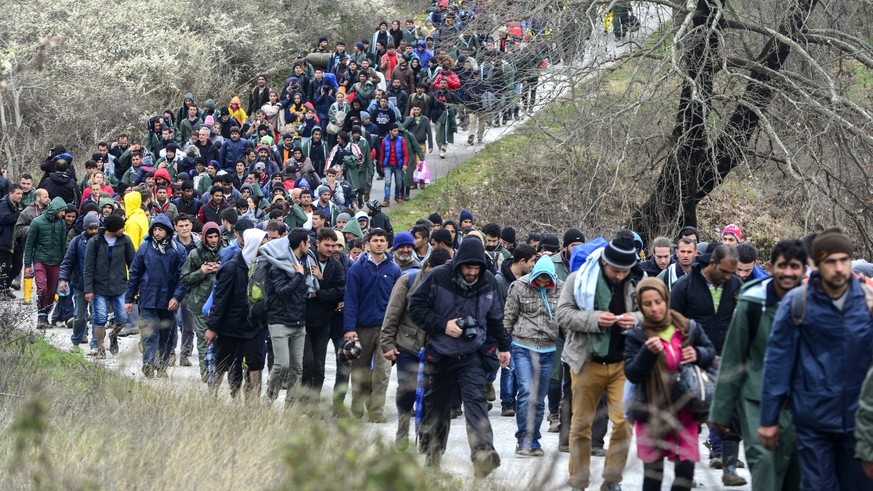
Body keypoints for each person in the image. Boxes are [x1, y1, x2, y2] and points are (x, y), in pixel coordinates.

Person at [760, 228, 873, 490]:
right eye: (830, 261)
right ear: (816, 263)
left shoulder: (867, 304)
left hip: (859, 424)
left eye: (844, 260)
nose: (838, 268)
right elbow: (777, 364)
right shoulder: (798, 304)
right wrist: (769, 419)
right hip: (814, 422)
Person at [408, 236, 511, 477]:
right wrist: (443, 325)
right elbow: (415, 307)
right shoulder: (437, 277)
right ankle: (432, 459)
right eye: (468, 267)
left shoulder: (487, 281)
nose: (472, 272)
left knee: (476, 404)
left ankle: (483, 455)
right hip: (441, 354)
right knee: (437, 409)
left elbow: (496, 318)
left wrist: (504, 347)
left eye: (477, 268)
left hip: (472, 353)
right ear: (459, 264)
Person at [711, 240, 806, 490]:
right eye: (782, 265)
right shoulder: (753, 301)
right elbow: (733, 356)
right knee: (764, 464)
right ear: (772, 268)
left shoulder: (814, 304)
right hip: (756, 399)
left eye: (794, 266)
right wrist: (720, 411)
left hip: (801, 402)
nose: (788, 272)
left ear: (804, 271)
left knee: (796, 474)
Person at [556, 234, 642, 491]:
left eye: (624, 271)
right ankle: (579, 482)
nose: (619, 275)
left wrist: (635, 319)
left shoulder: (636, 282)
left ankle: (612, 479)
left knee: (624, 423)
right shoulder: (577, 279)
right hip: (587, 361)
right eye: (615, 270)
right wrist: (594, 319)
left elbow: (650, 313)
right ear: (604, 262)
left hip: (622, 365)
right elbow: (562, 314)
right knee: (581, 425)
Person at [623, 278, 717, 491]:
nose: (655, 308)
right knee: (653, 478)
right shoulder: (636, 336)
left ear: (666, 299)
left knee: (685, 476)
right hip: (651, 412)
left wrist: (698, 353)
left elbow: (710, 352)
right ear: (640, 306)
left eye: (658, 301)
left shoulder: (687, 327)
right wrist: (647, 353)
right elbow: (633, 374)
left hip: (685, 411)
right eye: (648, 304)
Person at [671, 244, 745, 484]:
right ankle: (685, 473)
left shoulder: (735, 285)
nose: (728, 277)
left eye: (732, 273)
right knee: (689, 418)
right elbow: (671, 324)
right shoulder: (684, 286)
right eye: (724, 271)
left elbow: (743, 319)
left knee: (732, 414)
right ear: (712, 263)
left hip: (725, 359)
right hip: (691, 359)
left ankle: (729, 468)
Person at [380, 247, 451, 447]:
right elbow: (392, 314)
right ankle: (403, 429)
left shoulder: (448, 285)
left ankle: (425, 435)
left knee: (432, 394)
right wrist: (387, 344)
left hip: (436, 348)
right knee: (407, 389)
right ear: (428, 267)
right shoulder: (407, 281)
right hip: (407, 346)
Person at [503, 255, 563, 456]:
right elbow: (509, 317)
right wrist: (502, 346)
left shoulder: (561, 289)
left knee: (538, 398)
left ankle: (534, 438)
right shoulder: (519, 287)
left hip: (548, 350)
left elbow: (565, 320)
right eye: (540, 279)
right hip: (523, 347)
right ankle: (523, 438)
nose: (544, 283)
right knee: (527, 391)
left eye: (547, 280)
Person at [342, 228, 402, 421]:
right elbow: (350, 300)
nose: (378, 243)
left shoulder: (394, 269)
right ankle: (358, 404)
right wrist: (350, 329)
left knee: (383, 372)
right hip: (362, 328)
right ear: (367, 244)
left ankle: (376, 411)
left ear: (387, 244)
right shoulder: (358, 269)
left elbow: (400, 301)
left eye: (382, 240)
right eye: (375, 240)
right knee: (360, 370)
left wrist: (398, 330)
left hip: (386, 331)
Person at [205, 228, 268, 402]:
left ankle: (254, 400)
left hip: (253, 325)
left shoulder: (262, 266)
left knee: (255, 362)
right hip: (230, 326)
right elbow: (220, 300)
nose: (265, 247)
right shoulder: (231, 267)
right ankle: (213, 395)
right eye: (262, 244)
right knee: (223, 362)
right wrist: (212, 327)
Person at [125, 214, 188, 378]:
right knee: (148, 332)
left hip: (169, 300)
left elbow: (184, 278)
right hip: (148, 298)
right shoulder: (145, 248)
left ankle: (162, 365)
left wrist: (177, 298)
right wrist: (129, 299)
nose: (158, 233)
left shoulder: (178, 250)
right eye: (155, 229)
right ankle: (149, 363)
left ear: (167, 231)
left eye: (161, 229)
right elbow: (135, 274)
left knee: (167, 335)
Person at [259, 227, 313, 404]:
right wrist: (298, 276)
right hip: (279, 321)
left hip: (299, 322)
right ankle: (270, 397)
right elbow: (282, 292)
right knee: (282, 364)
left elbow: (305, 292)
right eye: (308, 242)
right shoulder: (279, 264)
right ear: (301, 243)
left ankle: (290, 405)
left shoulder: (306, 262)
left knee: (297, 367)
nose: (310, 245)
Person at [83, 214, 135, 357]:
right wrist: (88, 289)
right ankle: (100, 348)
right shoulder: (95, 242)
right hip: (99, 287)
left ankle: (113, 335)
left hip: (120, 287)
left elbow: (133, 264)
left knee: (123, 318)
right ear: (112, 228)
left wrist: (136, 285)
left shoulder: (125, 241)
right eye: (120, 227)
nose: (123, 230)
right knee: (99, 318)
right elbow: (88, 267)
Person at [302, 228, 345, 396]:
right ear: (317, 243)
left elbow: (338, 291)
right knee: (307, 362)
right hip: (304, 321)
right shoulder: (306, 260)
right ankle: (302, 397)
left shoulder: (335, 265)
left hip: (324, 322)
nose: (331, 249)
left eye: (333, 246)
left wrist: (320, 286)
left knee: (319, 365)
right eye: (327, 245)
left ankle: (314, 403)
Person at [179, 222, 222, 381]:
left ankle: (219, 369)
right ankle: (206, 372)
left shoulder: (225, 252)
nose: (213, 240)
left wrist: (221, 268)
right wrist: (201, 272)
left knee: (220, 339)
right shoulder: (195, 254)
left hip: (220, 303)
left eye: (216, 236)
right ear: (204, 237)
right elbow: (184, 278)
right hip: (199, 303)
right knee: (204, 339)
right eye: (210, 237)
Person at [24, 197, 68, 327]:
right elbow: (29, 244)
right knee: (42, 288)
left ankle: (45, 314)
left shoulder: (61, 223)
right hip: (40, 260)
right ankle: (41, 317)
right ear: (55, 209)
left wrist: (64, 264)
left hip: (56, 261)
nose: (63, 214)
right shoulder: (37, 222)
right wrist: (27, 265)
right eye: (61, 211)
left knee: (52, 292)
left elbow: (62, 243)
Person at [58, 214, 101, 351]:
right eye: (91, 228)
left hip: (98, 286)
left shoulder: (103, 241)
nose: (94, 231)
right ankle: (76, 341)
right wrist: (63, 279)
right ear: (85, 228)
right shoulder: (76, 242)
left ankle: (95, 344)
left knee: (97, 316)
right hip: (80, 285)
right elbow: (67, 262)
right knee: (78, 316)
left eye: (96, 228)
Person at [0, 184, 24, 298]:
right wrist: (19, 216)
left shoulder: (18, 205)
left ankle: (6, 287)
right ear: (10, 193)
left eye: (21, 194)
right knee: (5, 267)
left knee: (18, 265)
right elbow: (4, 218)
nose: (20, 196)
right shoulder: (3, 204)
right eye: (18, 193)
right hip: (4, 241)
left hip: (16, 242)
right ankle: (2, 290)